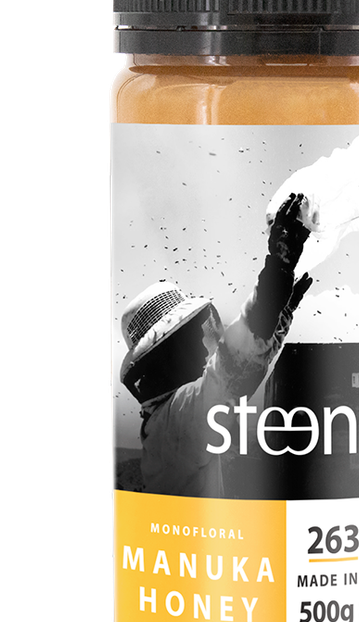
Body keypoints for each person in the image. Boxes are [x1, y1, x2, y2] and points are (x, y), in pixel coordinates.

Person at [121, 193, 312, 498]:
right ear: (163, 358)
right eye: (188, 342)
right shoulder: (174, 423)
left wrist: (281, 312)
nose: (201, 348)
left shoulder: (165, 426)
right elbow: (230, 372)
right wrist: (277, 272)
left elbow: (242, 368)